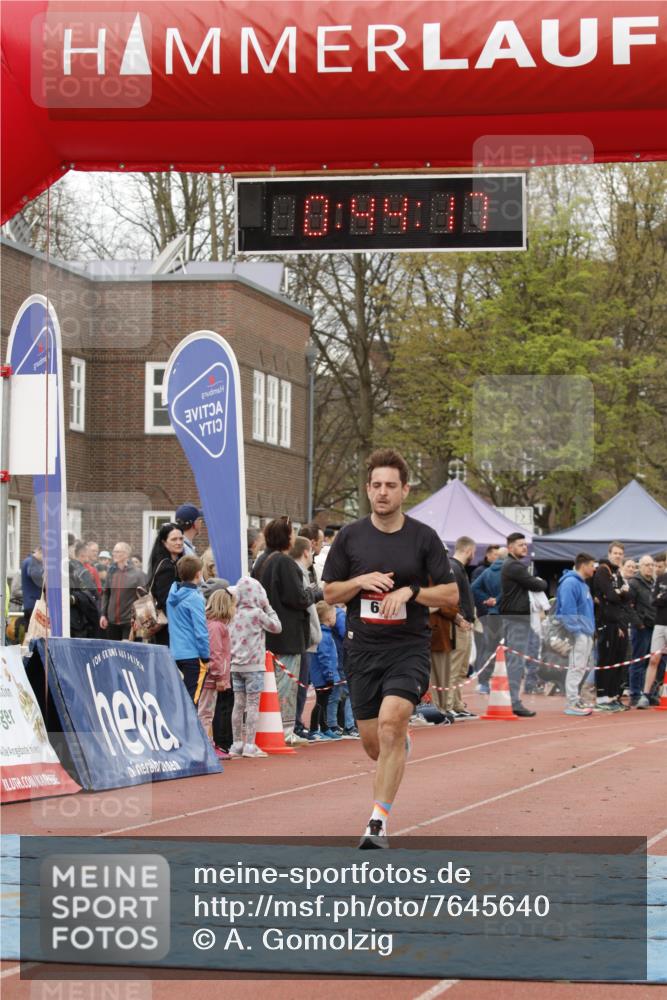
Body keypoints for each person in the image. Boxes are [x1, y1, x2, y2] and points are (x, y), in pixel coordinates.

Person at [322, 448, 458, 849]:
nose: (383, 493)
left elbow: (450, 593)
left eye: (391, 486)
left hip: (408, 648)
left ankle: (377, 823)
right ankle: (397, 745)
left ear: (405, 491)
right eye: (376, 486)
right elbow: (330, 592)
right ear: (367, 490)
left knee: (392, 721)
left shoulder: (423, 537)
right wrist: (361, 581)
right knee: (374, 744)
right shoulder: (350, 537)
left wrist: (411, 592)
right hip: (362, 650)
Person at [252, 515, 315, 746]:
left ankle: (269, 728)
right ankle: (284, 730)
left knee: (270, 684)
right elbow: (296, 597)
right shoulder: (285, 563)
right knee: (286, 685)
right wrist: (314, 593)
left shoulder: (261, 561)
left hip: (266, 633)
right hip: (287, 633)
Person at [229, 576, 282, 758]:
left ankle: (236, 743)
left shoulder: (233, 614)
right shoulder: (258, 614)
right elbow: (277, 627)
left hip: (235, 665)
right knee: (252, 704)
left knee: (238, 704)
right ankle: (250, 745)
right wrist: (268, 607)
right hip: (254, 666)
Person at [499, 532, 548, 717]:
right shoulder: (514, 566)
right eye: (520, 545)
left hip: (516, 617)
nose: (524, 548)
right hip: (516, 618)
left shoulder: (513, 565)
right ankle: (514, 702)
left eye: (525, 545)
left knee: (516, 661)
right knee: (516, 662)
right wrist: (541, 581)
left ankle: (512, 700)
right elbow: (537, 585)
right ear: (510, 547)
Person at [554, 553, 596, 716]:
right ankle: (572, 701)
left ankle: (575, 698)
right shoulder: (570, 583)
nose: (594, 569)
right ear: (583, 565)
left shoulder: (583, 585)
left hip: (586, 632)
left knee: (580, 667)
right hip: (578, 633)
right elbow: (567, 610)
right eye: (592, 565)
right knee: (576, 666)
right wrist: (576, 632)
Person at [592, 540, 631, 711]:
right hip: (605, 623)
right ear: (609, 554)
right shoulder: (602, 571)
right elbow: (611, 596)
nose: (618, 556)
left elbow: (627, 597)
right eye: (615, 553)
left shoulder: (617, 573)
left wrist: (619, 593)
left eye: (620, 554)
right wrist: (618, 593)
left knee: (616, 660)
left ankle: (612, 696)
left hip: (616, 623)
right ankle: (602, 697)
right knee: (605, 660)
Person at [167, 554, 210, 703]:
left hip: (175, 654)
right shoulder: (195, 598)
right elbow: (201, 631)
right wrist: (206, 657)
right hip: (193, 656)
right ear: (198, 574)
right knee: (192, 701)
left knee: (180, 700)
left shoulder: (171, 596)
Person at [291, 536, 322, 742]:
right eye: (311, 551)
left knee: (302, 683)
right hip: (305, 637)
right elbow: (306, 606)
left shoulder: (304, 573)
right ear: (305, 552)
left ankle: (297, 722)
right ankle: (295, 724)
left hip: (308, 636)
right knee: (299, 684)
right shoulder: (298, 574)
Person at [199, 587, 236, 760]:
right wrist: (220, 677)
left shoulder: (213, 625)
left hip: (210, 677)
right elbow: (215, 653)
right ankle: (205, 746)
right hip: (211, 679)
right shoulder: (216, 627)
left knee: (208, 712)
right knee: (206, 713)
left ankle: (208, 743)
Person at [446, 536, 478, 719]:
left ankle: (457, 704)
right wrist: (459, 619)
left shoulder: (459, 569)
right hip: (460, 624)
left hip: (465, 622)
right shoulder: (454, 569)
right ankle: (450, 704)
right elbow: (452, 598)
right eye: (473, 551)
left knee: (462, 667)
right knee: (455, 666)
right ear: (468, 550)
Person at [471, 546, 507, 692]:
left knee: (489, 648)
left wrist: (488, 600)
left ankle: (484, 682)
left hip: (491, 614)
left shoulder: (488, 571)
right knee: (507, 649)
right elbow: (508, 591)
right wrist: (496, 600)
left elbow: (473, 587)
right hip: (506, 614)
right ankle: (503, 682)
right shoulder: (510, 571)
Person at [308, 602, 342, 740]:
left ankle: (325, 727)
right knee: (320, 702)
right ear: (328, 617)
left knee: (324, 702)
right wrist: (329, 675)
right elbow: (324, 657)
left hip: (326, 675)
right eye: (334, 615)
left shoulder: (327, 634)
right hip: (322, 677)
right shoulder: (323, 636)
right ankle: (314, 729)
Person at [146, 522, 184, 646]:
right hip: (167, 628)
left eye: (181, 538)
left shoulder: (173, 563)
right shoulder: (167, 566)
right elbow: (166, 600)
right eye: (174, 539)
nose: (179, 542)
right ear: (164, 542)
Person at [100, 542, 146, 640]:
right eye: (114, 551)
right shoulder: (111, 572)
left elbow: (144, 599)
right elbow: (106, 594)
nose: (114, 554)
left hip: (129, 623)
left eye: (117, 552)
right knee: (113, 653)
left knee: (128, 654)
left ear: (126, 554)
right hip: (112, 622)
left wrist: (139, 619)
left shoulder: (138, 574)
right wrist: (103, 615)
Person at [637, 564, 667, 709]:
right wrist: (662, 598)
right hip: (659, 624)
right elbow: (653, 600)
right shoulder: (660, 578)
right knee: (654, 658)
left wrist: (662, 598)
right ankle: (646, 694)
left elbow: (659, 599)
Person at [629, 554, 656, 704]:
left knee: (652, 662)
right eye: (647, 565)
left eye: (651, 565)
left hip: (654, 626)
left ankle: (647, 693)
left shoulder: (654, 583)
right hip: (641, 628)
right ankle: (634, 694)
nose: (650, 568)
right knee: (638, 661)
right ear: (640, 566)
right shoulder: (634, 583)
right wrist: (638, 623)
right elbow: (629, 606)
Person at [20, 546, 43, 634]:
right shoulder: (31, 561)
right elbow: (34, 575)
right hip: (33, 604)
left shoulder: (28, 561)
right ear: (40, 552)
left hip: (30, 603)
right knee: (32, 633)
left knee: (29, 632)